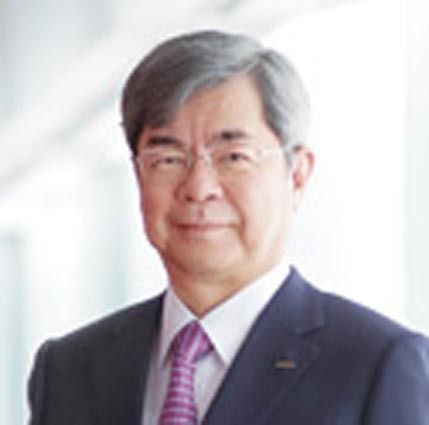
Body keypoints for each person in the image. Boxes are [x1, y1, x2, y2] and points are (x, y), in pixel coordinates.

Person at [28, 30, 429, 425]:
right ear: (138, 175)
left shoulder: (377, 364)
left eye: (234, 157)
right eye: (168, 159)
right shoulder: (70, 368)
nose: (199, 188)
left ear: (296, 176)